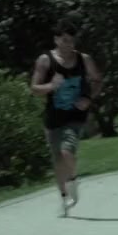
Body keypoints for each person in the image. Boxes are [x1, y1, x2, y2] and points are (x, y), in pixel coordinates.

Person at [30, 18, 102, 217]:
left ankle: (73, 180)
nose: (68, 44)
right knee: (57, 160)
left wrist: (88, 98)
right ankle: (64, 199)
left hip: (76, 114)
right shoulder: (45, 60)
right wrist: (51, 86)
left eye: (71, 40)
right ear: (56, 40)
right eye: (64, 40)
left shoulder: (84, 59)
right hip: (53, 116)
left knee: (66, 151)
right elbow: (34, 88)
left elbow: (97, 80)